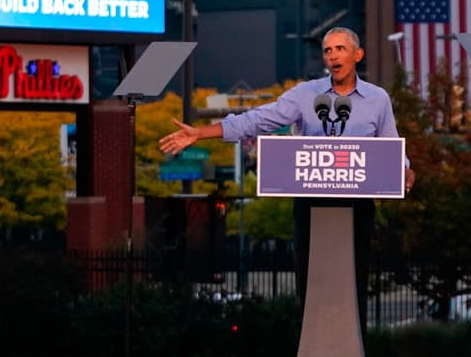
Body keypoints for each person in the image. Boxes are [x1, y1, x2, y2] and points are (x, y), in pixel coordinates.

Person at [158, 26, 413, 329]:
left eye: (340, 49)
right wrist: (201, 133)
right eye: (328, 50)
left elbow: (389, 143)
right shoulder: (306, 94)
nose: (333, 56)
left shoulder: (377, 98)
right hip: (311, 204)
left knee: (353, 286)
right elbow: (257, 119)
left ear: (357, 55)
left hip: (357, 206)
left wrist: (405, 168)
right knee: (311, 288)